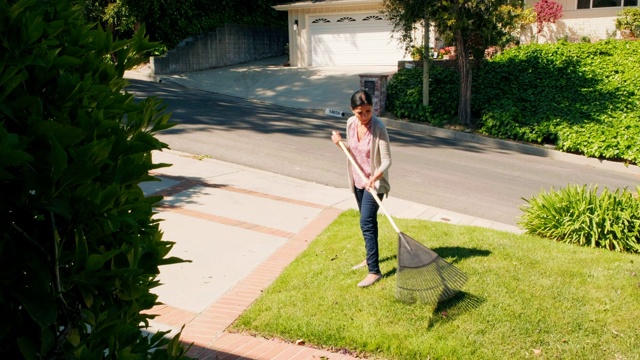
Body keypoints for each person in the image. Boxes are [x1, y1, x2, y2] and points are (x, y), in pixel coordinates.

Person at [331, 90, 392, 288]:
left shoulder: (378, 127)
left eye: (368, 111)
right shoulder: (350, 123)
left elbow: (386, 161)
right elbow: (353, 151)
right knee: (369, 222)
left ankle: (374, 271)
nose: (365, 117)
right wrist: (340, 143)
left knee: (365, 221)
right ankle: (370, 257)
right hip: (357, 181)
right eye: (360, 112)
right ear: (352, 111)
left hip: (375, 185)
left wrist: (374, 177)